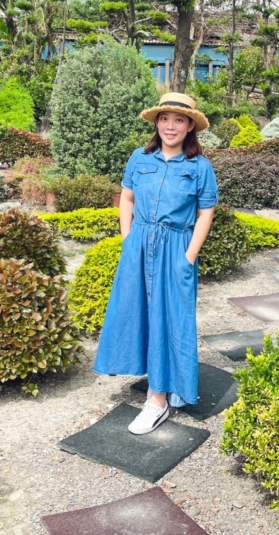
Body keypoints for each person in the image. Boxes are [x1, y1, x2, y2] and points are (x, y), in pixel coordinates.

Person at [94, 92, 218, 435]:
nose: (170, 126)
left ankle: (158, 400)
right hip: (139, 244)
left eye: (179, 120)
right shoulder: (140, 158)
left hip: (175, 247)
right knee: (137, 313)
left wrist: (188, 256)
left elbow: (205, 212)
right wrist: (128, 237)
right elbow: (127, 196)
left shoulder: (199, 167)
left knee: (170, 319)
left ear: (191, 125)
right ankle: (160, 383)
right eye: (165, 118)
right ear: (156, 122)